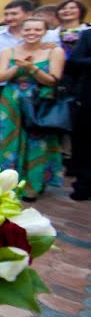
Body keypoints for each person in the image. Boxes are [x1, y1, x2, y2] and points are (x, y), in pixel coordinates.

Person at [0, 16, 65, 201]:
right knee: (7, 140)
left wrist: (32, 69)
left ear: (45, 32)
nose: (32, 33)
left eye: (37, 30)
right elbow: (0, 77)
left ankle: (32, 185)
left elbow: (53, 80)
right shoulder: (9, 51)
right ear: (21, 31)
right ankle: (5, 184)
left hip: (38, 101)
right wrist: (17, 67)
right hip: (11, 102)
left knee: (37, 142)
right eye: (28, 30)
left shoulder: (55, 52)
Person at [0, 0, 58, 122]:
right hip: (3, 91)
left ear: (28, 14)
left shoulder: (50, 37)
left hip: (39, 91)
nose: (9, 18)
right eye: (6, 14)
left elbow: (57, 66)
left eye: (14, 14)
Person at [66, 26, 91, 200]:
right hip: (89, 98)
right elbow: (75, 61)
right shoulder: (88, 35)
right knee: (87, 144)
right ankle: (84, 185)